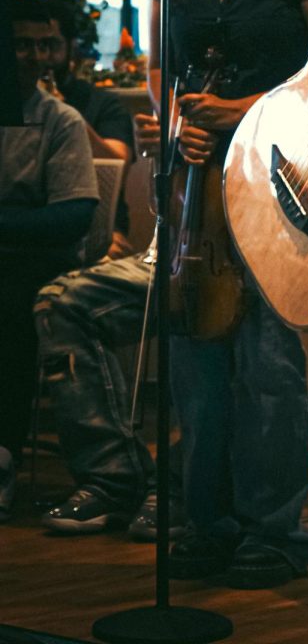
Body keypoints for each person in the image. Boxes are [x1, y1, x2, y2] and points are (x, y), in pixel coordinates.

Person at [146, 0, 308, 588]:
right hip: (197, 185)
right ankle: (209, 520)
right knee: (197, 354)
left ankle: (275, 532)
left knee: (266, 359)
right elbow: (165, 71)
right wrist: (181, 126)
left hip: (281, 177)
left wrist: (241, 113)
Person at [34, 111, 185, 540]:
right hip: (170, 248)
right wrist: (165, 139)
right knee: (59, 302)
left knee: (205, 303)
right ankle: (113, 477)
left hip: (237, 256)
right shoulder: (182, 80)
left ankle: (185, 483)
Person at [0, 0, 98, 523]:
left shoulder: (60, 120)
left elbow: (74, 216)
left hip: (39, 264)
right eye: (21, 45)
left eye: (45, 45)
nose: (36, 58)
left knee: (10, 304)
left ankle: (3, 457)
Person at [39, 0, 135, 257]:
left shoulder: (101, 103)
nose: (42, 57)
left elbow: (119, 163)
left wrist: (63, 113)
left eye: (51, 45)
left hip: (100, 230)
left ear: (71, 47)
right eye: (30, 46)